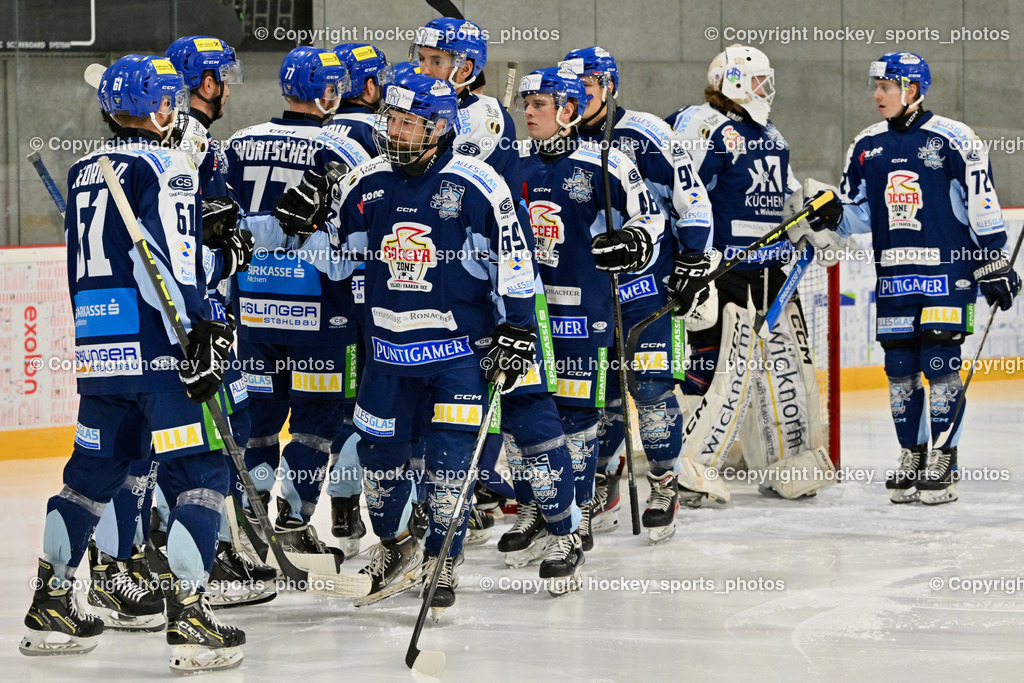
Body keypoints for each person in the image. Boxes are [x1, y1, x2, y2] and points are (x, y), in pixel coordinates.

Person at [274, 68, 544, 610]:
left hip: (457, 357)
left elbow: (515, 261)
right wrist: (301, 232)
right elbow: (339, 263)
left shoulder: (478, 184)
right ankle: (398, 546)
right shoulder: (366, 183)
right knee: (379, 461)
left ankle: (444, 561)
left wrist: (517, 328)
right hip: (385, 357)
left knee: (449, 465)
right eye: (391, 120)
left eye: (408, 123)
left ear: (440, 127)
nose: (395, 131)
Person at [20, 55, 244, 674]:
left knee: (90, 478)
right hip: (158, 355)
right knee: (199, 474)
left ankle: (52, 603)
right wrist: (205, 322)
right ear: (156, 107)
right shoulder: (166, 166)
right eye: (168, 100)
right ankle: (192, 617)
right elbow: (167, 265)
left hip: (101, 353)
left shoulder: (85, 170)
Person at [821, 52, 1019, 504]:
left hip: (948, 273)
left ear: (911, 89)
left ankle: (944, 458)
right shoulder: (866, 145)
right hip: (894, 276)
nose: (877, 95)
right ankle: (912, 453)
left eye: (886, 87)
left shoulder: (955, 138)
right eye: (876, 87)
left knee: (940, 363)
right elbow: (858, 216)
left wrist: (995, 259)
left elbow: (982, 205)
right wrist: (831, 213)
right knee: (900, 371)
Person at [667, 44, 839, 504]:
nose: (768, 90)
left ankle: (789, 461)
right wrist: (688, 260)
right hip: (723, 272)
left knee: (786, 368)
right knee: (725, 373)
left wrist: (814, 213)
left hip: (772, 271)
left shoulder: (774, 137)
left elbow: (783, 200)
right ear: (735, 81)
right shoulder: (702, 125)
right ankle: (688, 467)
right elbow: (680, 194)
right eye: (760, 80)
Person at [514, 65, 665, 557]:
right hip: (527, 316)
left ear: (568, 110)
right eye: (527, 104)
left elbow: (650, 218)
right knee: (531, 420)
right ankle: (541, 507)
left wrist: (634, 240)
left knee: (578, 422)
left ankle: (575, 518)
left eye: (540, 105)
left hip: (585, 314)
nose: (529, 113)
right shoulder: (513, 166)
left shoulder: (609, 163)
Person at [565, 46, 713, 543]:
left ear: (609, 86)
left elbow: (690, 196)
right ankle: (596, 490)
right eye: (571, 90)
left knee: (649, 390)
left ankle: (665, 482)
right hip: (587, 296)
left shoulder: (648, 133)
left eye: (586, 89)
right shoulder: (558, 142)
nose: (577, 99)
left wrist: (693, 257)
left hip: (648, 289)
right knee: (597, 397)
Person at [225, 46, 364, 556]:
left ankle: (253, 523)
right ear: (327, 93)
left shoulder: (237, 143)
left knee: (258, 421)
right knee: (315, 423)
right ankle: (292, 519)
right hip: (320, 318)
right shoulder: (345, 151)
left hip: (256, 313)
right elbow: (351, 248)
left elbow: (219, 229)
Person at [321, 41, 392, 555]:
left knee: (342, 410)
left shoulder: (314, 132)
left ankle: (343, 512)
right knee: (375, 409)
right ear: (369, 87)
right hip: (371, 294)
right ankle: (396, 513)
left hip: (315, 295)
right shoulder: (376, 135)